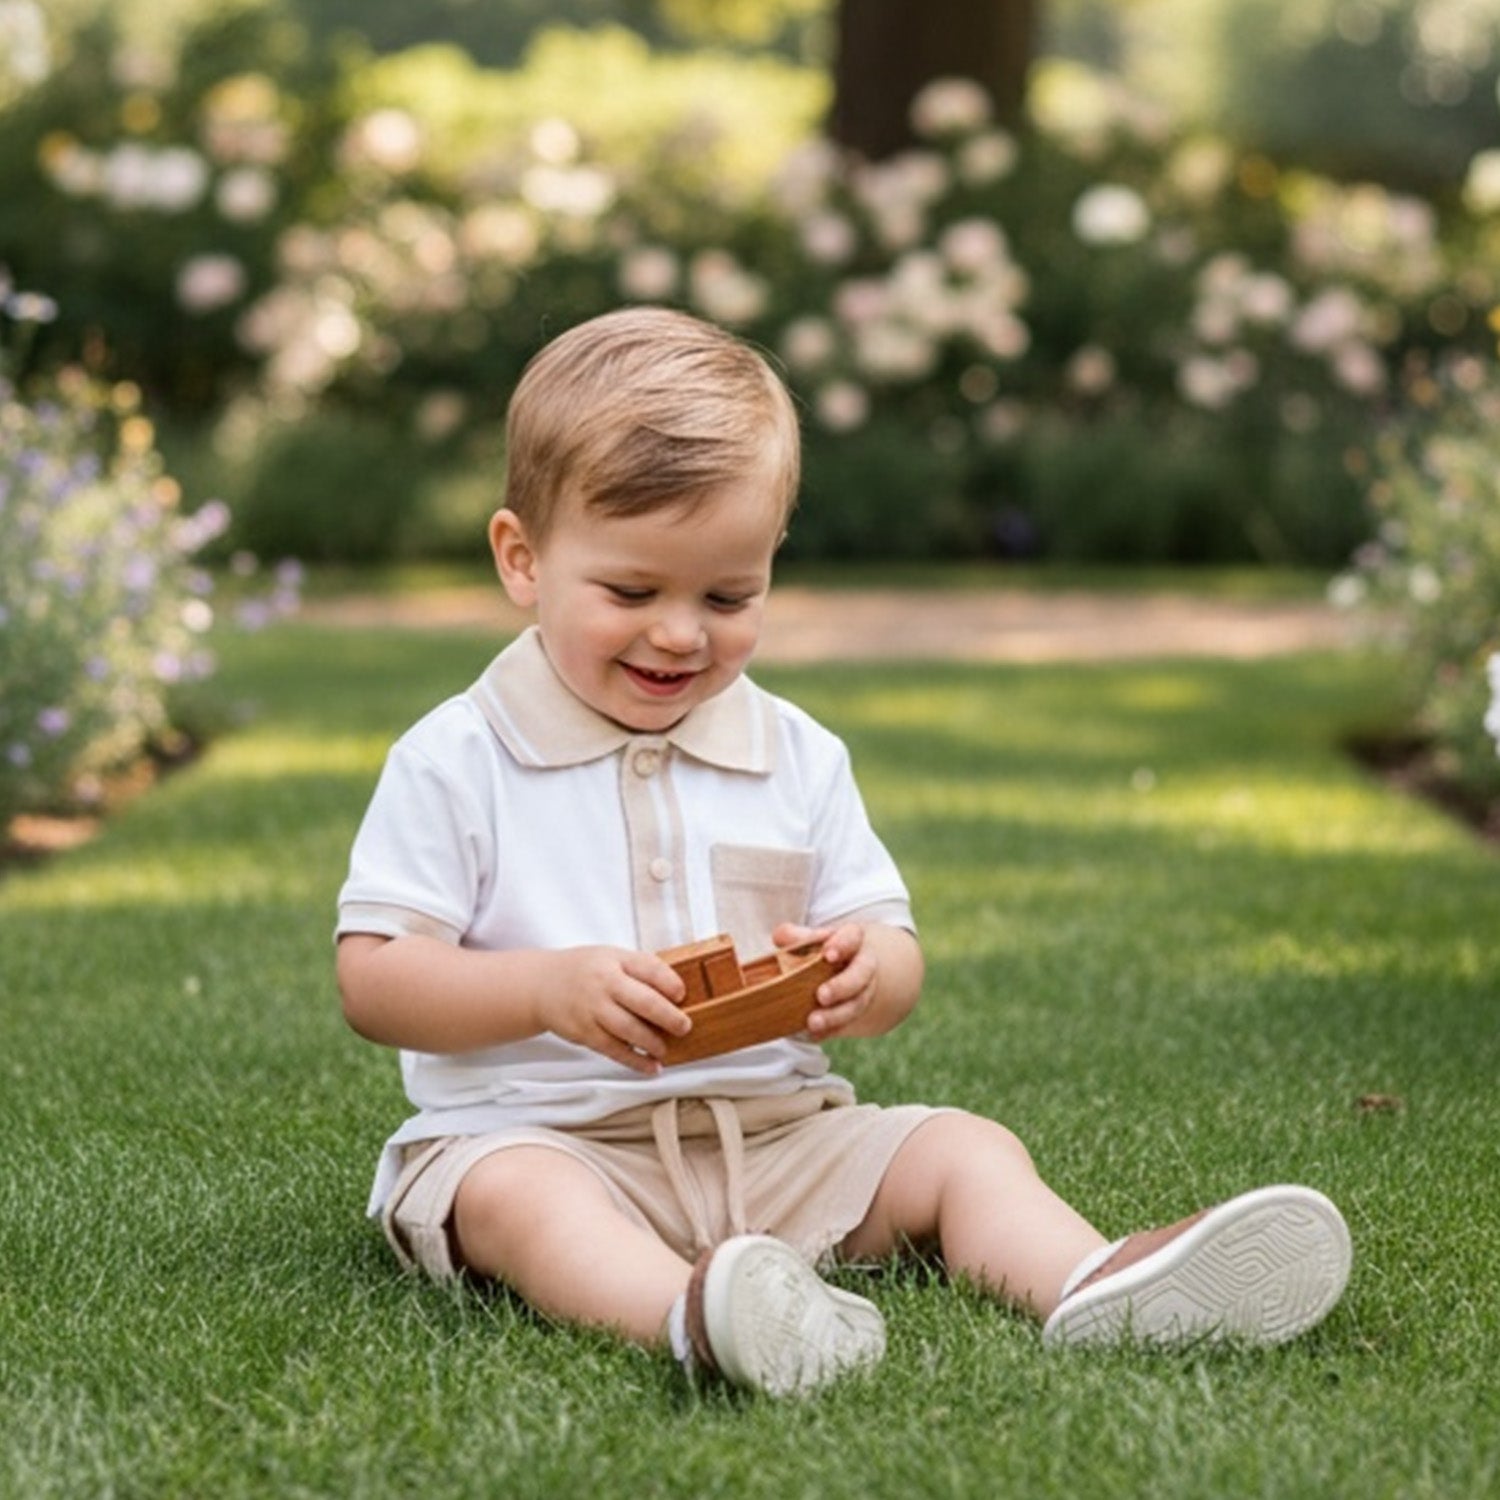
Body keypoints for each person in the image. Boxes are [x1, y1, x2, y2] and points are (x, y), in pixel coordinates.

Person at [335, 306, 1352, 1397]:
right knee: (521, 1203)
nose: (681, 632)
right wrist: (545, 989)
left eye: (729, 596)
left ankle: (1098, 1283)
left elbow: (891, 946)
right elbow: (374, 980)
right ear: (522, 558)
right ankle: (694, 1318)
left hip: (777, 1142)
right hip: (545, 1136)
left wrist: (867, 973)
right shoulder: (460, 758)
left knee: (963, 1148)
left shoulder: (796, 756)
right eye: (632, 592)